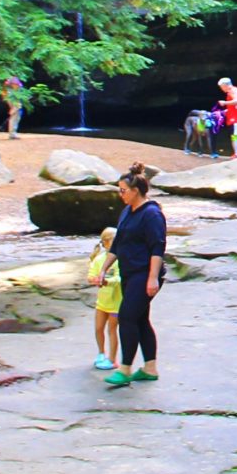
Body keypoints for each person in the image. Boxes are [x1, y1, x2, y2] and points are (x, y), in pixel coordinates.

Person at [91, 164, 164, 387]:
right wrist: (104, 268)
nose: (120, 194)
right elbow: (118, 244)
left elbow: (157, 248)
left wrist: (152, 278)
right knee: (140, 319)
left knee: (127, 317)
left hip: (145, 274)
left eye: (123, 190)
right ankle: (150, 368)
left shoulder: (151, 214)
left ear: (136, 191)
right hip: (129, 273)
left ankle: (124, 369)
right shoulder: (126, 212)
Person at [88, 227, 121, 372]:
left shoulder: (120, 259)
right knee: (98, 328)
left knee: (112, 330)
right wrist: (94, 279)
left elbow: (121, 278)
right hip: (102, 302)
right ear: (106, 242)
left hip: (116, 303)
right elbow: (91, 274)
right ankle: (101, 353)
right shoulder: (99, 259)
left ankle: (112, 359)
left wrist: (108, 281)